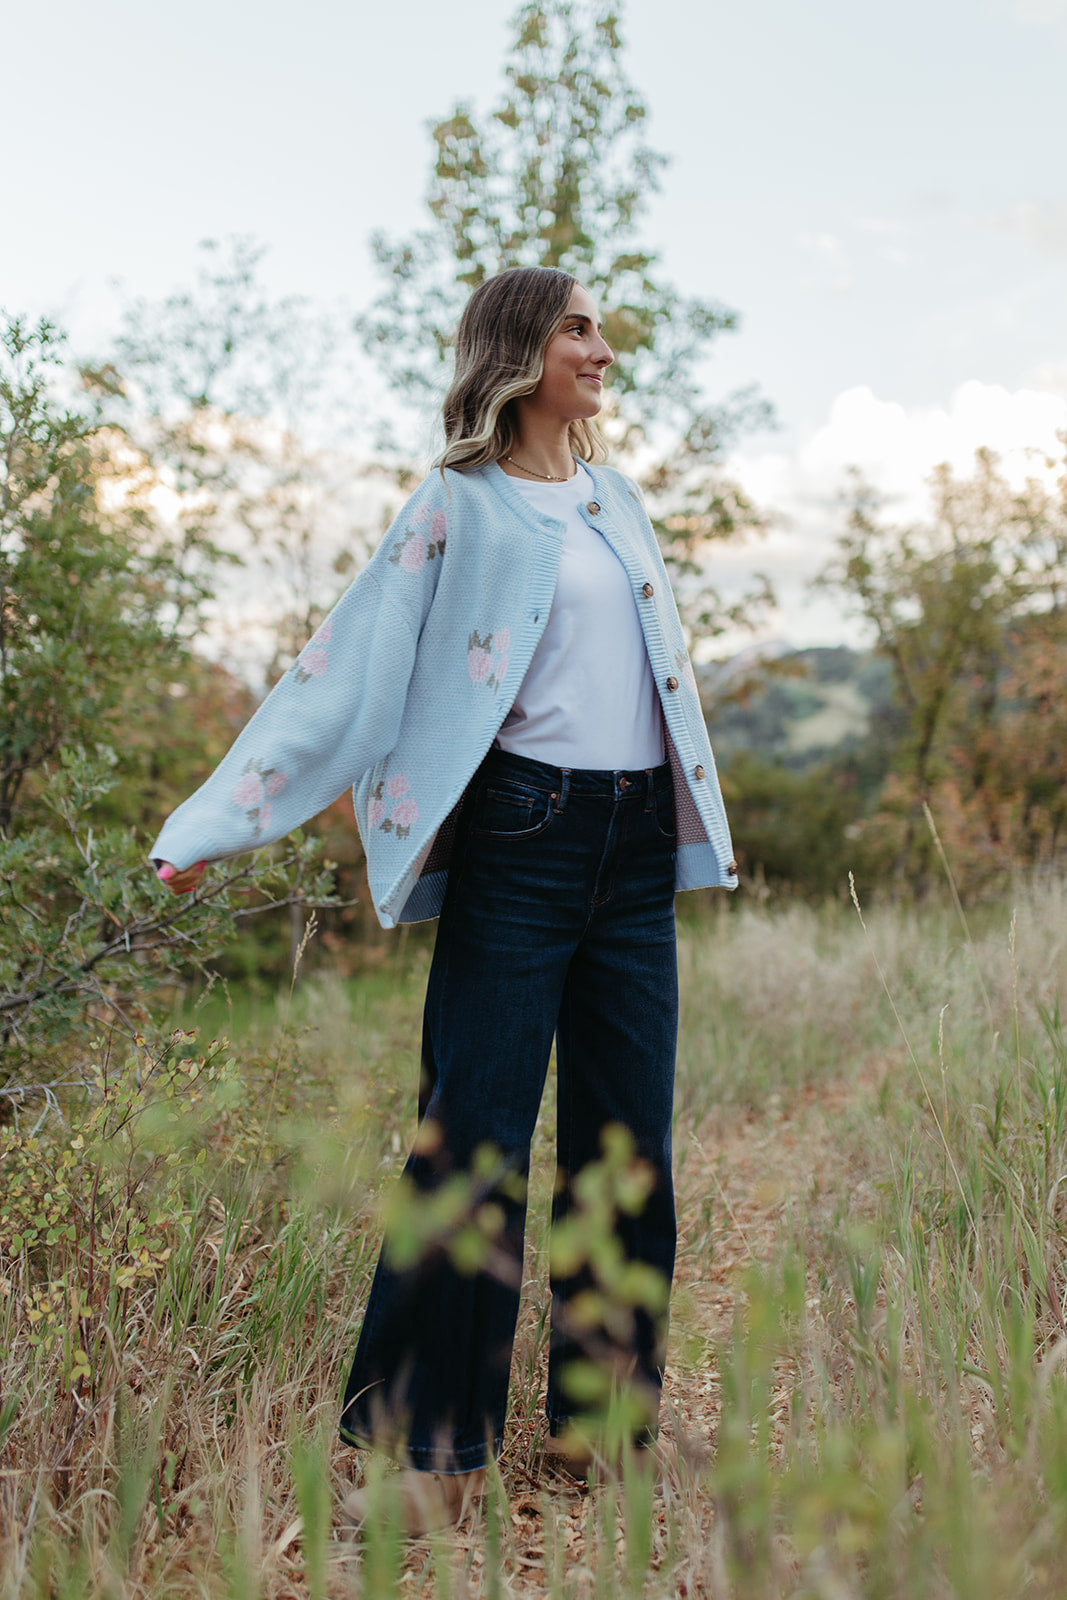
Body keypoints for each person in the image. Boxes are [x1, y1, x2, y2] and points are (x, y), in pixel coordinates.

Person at [153, 265, 737, 1534]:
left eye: (596, 324)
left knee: (623, 1150)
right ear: (520, 350)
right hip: (522, 845)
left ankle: (601, 1428)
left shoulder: (616, 502)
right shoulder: (455, 508)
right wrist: (213, 821)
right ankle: (436, 1458)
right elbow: (343, 671)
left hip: (632, 852)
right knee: (471, 1144)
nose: (601, 343)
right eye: (576, 325)